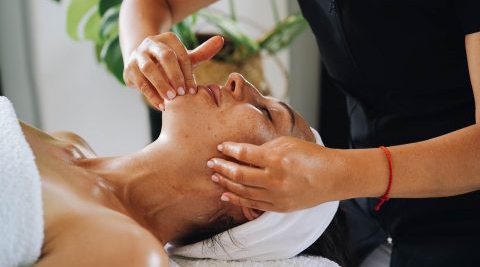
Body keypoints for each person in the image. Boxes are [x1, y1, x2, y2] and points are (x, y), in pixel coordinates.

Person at [119, 0, 480, 266]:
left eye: (266, 112)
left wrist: (340, 173)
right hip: (367, 199)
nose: (236, 81)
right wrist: (144, 53)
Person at [19, 74, 348, 266]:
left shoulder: (128, 252)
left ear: (256, 194)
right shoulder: (67, 144)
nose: (238, 79)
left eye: (265, 112)